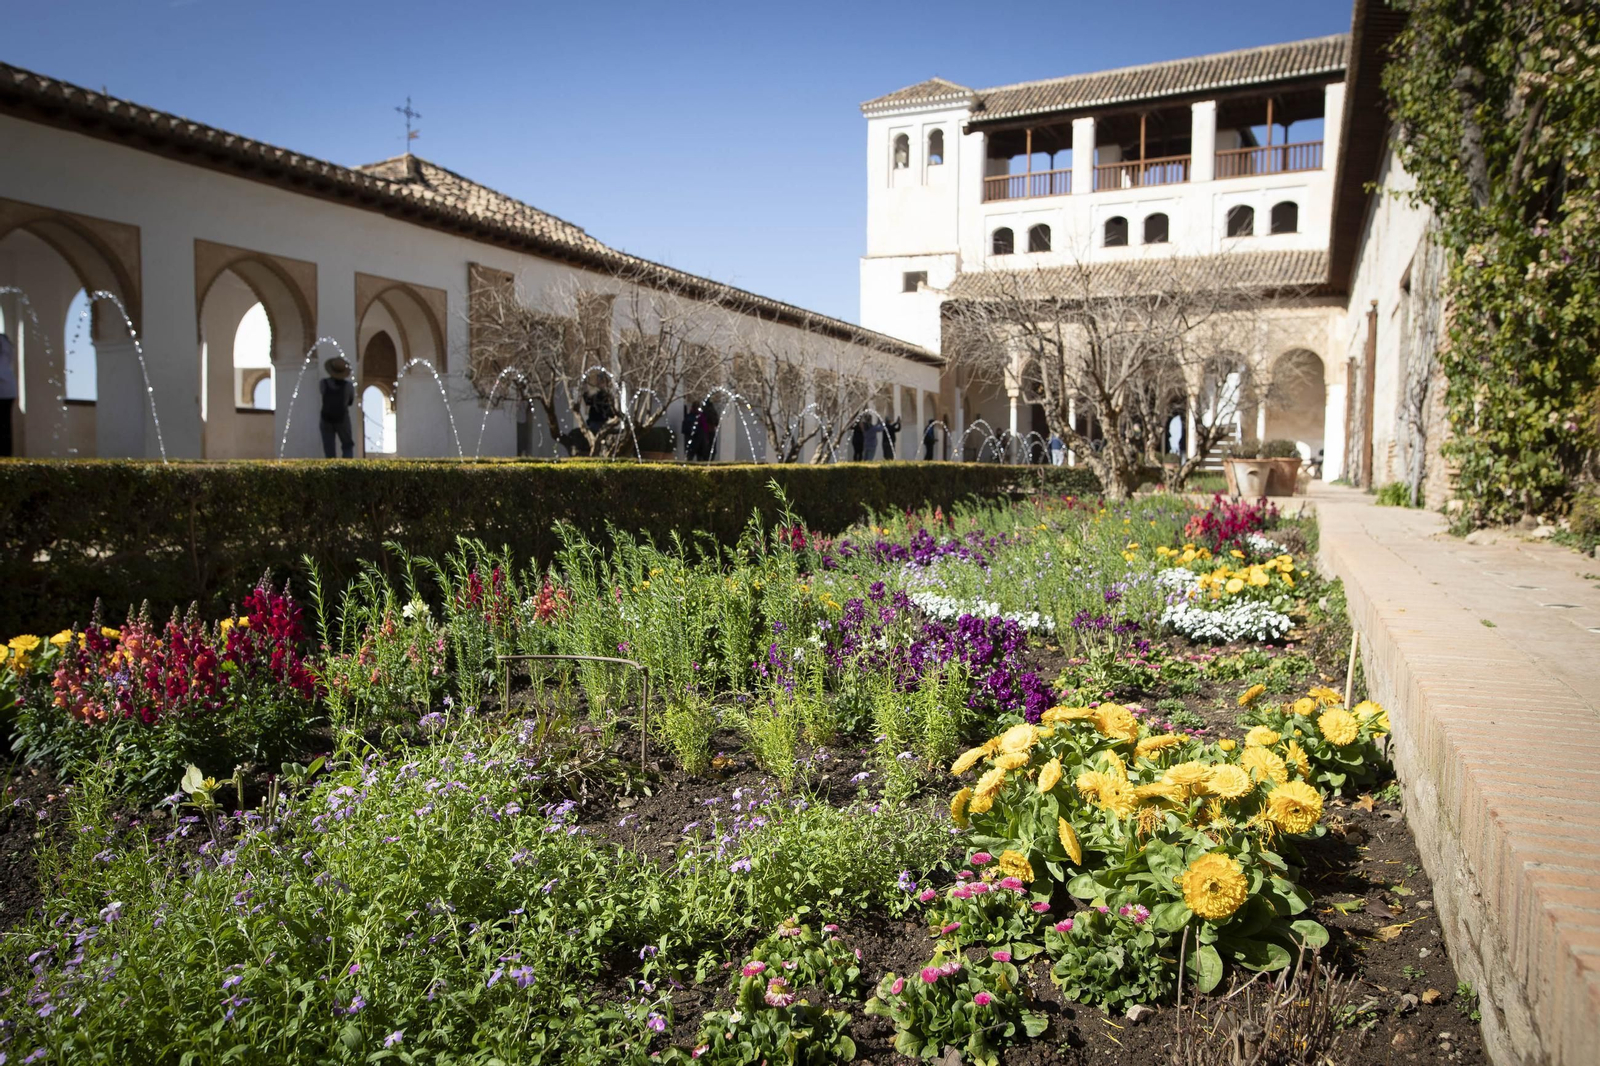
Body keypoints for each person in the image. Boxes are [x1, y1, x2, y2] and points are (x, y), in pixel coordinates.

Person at [318, 356, 355, 458]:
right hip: (342, 417)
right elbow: (350, 401)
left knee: (329, 447)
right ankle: (347, 469)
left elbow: (323, 394)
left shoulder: (323, 383)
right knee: (347, 444)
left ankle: (331, 469)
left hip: (326, 418)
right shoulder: (348, 386)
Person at [0, 333, 16, 457]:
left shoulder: (2, 340)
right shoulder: (5, 340)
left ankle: (4, 455)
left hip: (3, 388)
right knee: (5, 425)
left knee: (4, 426)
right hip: (7, 388)